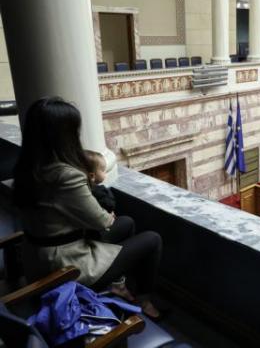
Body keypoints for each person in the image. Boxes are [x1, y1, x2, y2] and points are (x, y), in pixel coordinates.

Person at [13, 97, 162, 319]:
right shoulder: (65, 175)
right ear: (63, 135)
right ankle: (144, 302)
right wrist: (107, 216)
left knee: (127, 223)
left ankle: (118, 286)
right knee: (152, 240)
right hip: (64, 267)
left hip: (36, 258)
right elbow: (101, 220)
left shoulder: (28, 168)